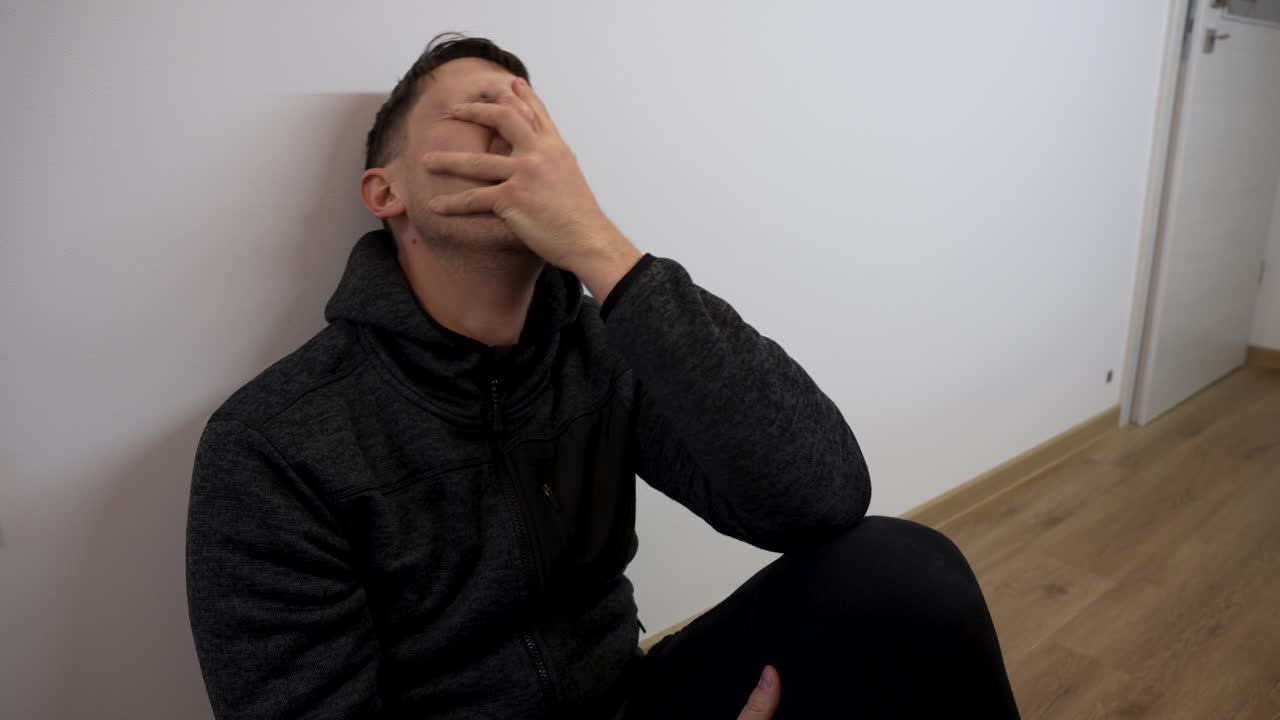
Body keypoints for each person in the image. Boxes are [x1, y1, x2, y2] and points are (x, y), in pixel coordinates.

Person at [185, 32, 1021, 719]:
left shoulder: (601, 345)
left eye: (532, 119)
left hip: (629, 703)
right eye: (479, 114)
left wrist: (606, 254)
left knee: (904, 572)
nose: (517, 137)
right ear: (385, 191)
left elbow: (821, 498)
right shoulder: (272, 446)